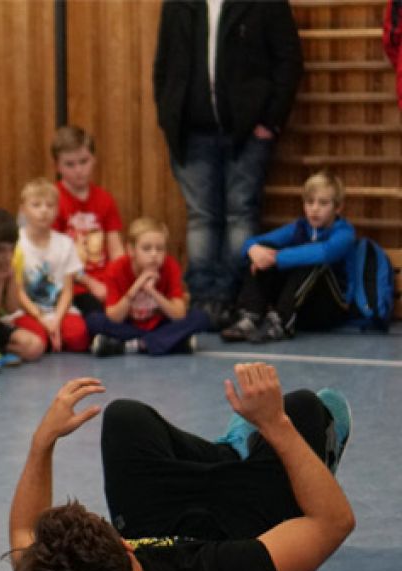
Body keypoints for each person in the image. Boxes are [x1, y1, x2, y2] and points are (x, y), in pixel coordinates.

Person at [5, 363, 355, 571]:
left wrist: (42, 443)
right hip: (244, 538)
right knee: (306, 409)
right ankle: (238, 455)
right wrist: (276, 425)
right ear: (127, 546)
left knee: (125, 419)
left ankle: (229, 458)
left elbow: (23, 537)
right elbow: (334, 522)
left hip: (174, 540)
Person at [154, 0, 303, 328]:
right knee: (201, 218)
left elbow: (288, 60)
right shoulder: (178, 4)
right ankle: (205, 299)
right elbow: (164, 64)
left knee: (240, 213)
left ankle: (237, 297)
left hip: (247, 130)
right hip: (192, 129)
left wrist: (271, 120)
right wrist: (168, 115)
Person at [222, 171, 355, 343]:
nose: (314, 208)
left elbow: (325, 252)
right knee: (264, 251)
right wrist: (253, 250)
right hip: (300, 308)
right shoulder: (299, 227)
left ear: (337, 207)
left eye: (323, 203)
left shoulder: (344, 232)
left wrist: (276, 258)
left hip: (329, 309)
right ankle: (250, 316)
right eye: (309, 202)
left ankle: (281, 322)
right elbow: (254, 242)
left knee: (312, 260)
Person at [86, 218, 210, 357]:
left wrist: (153, 292)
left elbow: (179, 315)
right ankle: (168, 342)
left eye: (160, 249)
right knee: (94, 320)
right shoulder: (116, 268)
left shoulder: (170, 266)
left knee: (200, 318)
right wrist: (137, 286)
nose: (154, 254)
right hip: (129, 325)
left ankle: (132, 345)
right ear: (131, 250)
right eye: (146, 248)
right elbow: (114, 317)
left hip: (159, 324)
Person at [12, 179, 90, 354]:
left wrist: (56, 320)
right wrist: (41, 318)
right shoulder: (17, 243)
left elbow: (68, 291)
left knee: (78, 338)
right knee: (36, 340)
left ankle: (54, 333)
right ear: (24, 209)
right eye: (36, 205)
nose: (44, 211)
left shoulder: (65, 243)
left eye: (50, 205)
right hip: (28, 311)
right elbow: (18, 291)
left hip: (59, 310)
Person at [50, 125, 121, 309]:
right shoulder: (52, 200)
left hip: (106, 282)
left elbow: (116, 250)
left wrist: (122, 281)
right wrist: (91, 283)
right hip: (73, 285)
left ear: (94, 160)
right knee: (96, 315)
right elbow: (55, 258)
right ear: (57, 165)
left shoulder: (104, 198)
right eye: (70, 164)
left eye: (84, 161)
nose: (78, 170)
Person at [0, 209, 45, 367]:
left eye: (11, 249)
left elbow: (12, 308)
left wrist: (10, 279)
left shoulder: (8, 267)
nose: (7, 256)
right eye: (1, 250)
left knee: (35, 346)